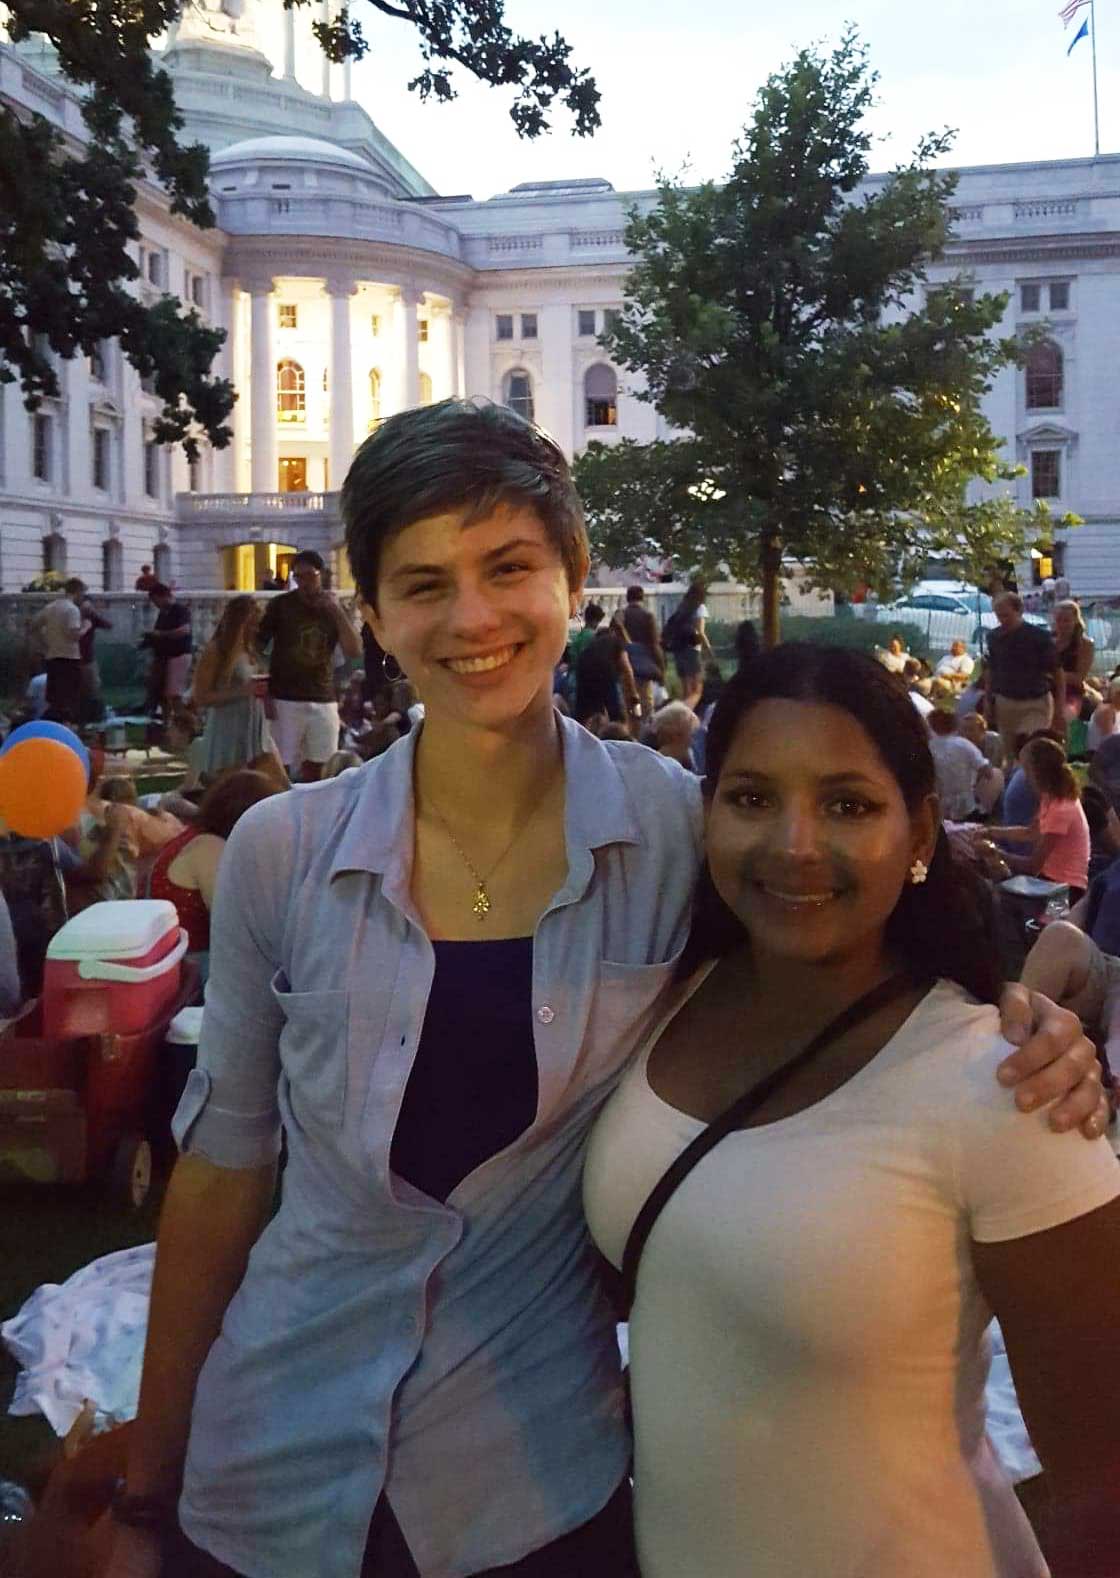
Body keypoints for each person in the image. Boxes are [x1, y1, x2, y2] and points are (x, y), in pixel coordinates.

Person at [103, 401, 1103, 1578]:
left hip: (533, 1487)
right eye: (422, 583)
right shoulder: (283, 849)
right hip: (268, 1465)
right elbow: (223, 1176)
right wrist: (140, 1491)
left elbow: (842, 949)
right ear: (371, 614)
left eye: (507, 567)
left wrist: (1014, 1020)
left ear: (572, 579)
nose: (471, 616)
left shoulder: (678, 836)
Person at [583, 644, 1120, 1578]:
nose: (794, 842)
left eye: (847, 804)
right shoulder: (666, 998)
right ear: (706, 812)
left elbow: (1104, 1480)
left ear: (919, 835)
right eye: (752, 797)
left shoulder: (1009, 1085)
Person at [148, 769, 282, 983]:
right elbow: (234, 926)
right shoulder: (209, 847)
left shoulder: (195, 837)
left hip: (184, 961)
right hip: (192, 969)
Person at [255, 548, 362, 781]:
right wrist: (264, 684)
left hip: (323, 695)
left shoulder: (333, 608)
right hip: (286, 696)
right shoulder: (281, 605)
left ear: (321, 575)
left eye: (309, 576)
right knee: (279, 765)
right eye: (298, 577)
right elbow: (257, 644)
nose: (304, 582)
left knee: (323, 765)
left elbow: (354, 649)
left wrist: (336, 611)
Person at [989, 736, 1091, 901]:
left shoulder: (1061, 808)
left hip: (1064, 890)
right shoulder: (1051, 798)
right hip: (1050, 882)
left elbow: (1033, 866)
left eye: (1025, 769)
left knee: (997, 898)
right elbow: (1031, 832)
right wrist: (991, 832)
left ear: (1036, 772)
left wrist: (996, 853)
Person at [189, 596, 272, 778]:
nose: (256, 629)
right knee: (234, 788)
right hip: (229, 728)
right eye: (252, 624)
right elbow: (201, 697)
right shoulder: (217, 650)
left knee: (275, 785)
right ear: (240, 623)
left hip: (255, 725)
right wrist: (242, 691)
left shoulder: (249, 649)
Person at [985, 591, 1061, 763]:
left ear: (1018, 611)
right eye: (998, 616)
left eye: (1006, 615)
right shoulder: (994, 637)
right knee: (1009, 754)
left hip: (1036, 701)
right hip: (1005, 701)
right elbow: (991, 670)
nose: (1002, 620)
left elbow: (1057, 671)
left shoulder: (1039, 637)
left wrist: (1060, 705)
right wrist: (988, 700)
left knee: (1031, 746)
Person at [927, 708, 1003, 820]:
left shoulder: (928, 747)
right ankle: (988, 811)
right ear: (955, 726)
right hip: (966, 807)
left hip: (939, 804)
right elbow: (988, 773)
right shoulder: (964, 744)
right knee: (997, 774)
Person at [32, 577, 87, 722]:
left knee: (55, 699)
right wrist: (86, 627)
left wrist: (44, 643)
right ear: (77, 592)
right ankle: (68, 725)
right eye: (82, 593)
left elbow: (34, 625)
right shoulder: (72, 609)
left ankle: (52, 724)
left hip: (52, 657)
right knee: (70, 697)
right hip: (70, 658)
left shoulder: (50, 607)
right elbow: (73, 634)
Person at [142, 584, 193, 718]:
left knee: (174, 694)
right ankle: (166, 723)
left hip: (178, 656)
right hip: (165, 656)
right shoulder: (163, 613)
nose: (155, 604)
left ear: (163, 596)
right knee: (163, 694)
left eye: (155, 600)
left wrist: (162, 634)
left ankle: (184, 722)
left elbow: (184, 630)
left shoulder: (180, 610)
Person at [662, 580, 712, 710]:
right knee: (697, 689)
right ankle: (691, 716)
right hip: (692, 650)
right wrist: (709, 650)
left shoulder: (682, 606)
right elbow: (700, 632)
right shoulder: (700, 608)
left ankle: (683, 715)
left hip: (679, 649)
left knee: (686, 689)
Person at [620, 586, 665, 719]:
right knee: (646, 704)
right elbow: (655, 645)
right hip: (644, 667)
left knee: (629, 705)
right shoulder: (647, 616)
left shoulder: (621, 615)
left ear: (628, 598)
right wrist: (661, 668)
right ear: (642, 598)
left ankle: (631, 732)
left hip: (624, 664)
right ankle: (644, 734)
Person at [1053, 597, 1094, 712]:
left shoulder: (1085, 644)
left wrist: (1052, 674)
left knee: (1064, 713)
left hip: (1072, 693)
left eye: (1066, 620)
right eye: (1058, 620)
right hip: (1047, 691)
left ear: (1075, 620)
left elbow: (1079, 677)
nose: (1062, 624)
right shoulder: (1048, 641)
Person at [77, 596, 112, 723]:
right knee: (79, 690)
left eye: (89, 607)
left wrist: (94, 615)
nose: (86, 610)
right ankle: (80, 716)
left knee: (93, 687)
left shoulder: (92, 618)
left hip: (88, 659)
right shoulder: (72, 618)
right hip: (74, 659)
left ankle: (94, 716)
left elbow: (108, 625)